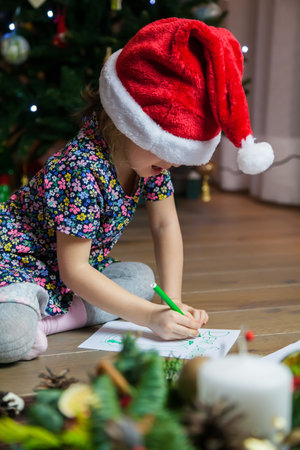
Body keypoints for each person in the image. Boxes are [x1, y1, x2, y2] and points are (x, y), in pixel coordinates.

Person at [0, 18, 274, 364]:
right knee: (10, 337)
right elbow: (74, 270)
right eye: (169, 150)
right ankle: (46, 318)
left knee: (142, 280)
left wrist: (170, 305)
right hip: (19, 267)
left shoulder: (151, 162)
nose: (173, 164)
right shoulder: (81, 169)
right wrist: (148, 317)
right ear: (128, 122)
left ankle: (55, 313)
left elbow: (165, 226)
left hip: (66, 275)